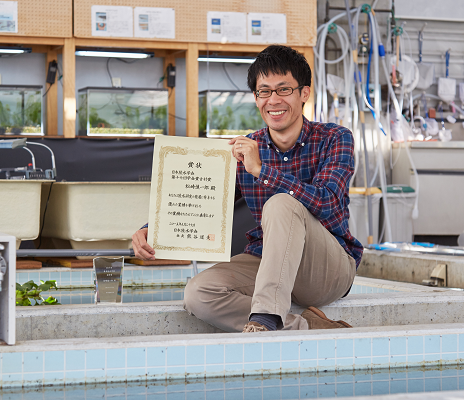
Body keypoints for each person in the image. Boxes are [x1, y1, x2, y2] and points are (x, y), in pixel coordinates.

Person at [132, 44, 362, 333]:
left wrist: (263, 172)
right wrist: (151, 230)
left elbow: (328, 202)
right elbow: (207, 200)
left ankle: (264, 321)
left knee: (281, 203)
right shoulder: (247, 147)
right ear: (256, 98)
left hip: (325, 270)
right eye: (264, 91)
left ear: (304, 93)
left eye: (283, 90)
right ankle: (307, 326)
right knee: (199, 293)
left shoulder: (335, 138)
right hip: (269, 263)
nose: (273, 100)